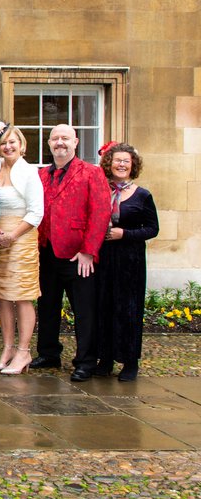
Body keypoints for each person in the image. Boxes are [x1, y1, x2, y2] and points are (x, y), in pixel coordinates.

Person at [30, 124, 110, 382]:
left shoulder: (91, 173)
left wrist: (89, 251)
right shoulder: (41, 175)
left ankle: (86, 360)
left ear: (75, 142)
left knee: (84, 310)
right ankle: (49, 352)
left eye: (65, 138)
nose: (60, 143)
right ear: (49, 143)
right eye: (55, 139)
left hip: (78, 255)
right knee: (47, 305)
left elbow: (100, 213)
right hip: (46, 250)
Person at [94, 142, 159, 382]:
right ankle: (105, 358)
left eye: (126, 161)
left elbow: (153, 229)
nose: (121, 164)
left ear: (133, 166)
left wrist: (125, 234)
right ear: (108, 164)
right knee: (104, 306)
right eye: (117, 160)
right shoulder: (101, 190)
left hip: (130, 261)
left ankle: (130, 362)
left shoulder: (142, 195)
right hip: (104, 259)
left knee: (128, 310)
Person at [0, 122, 44, 375]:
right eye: (3, 143)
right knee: (1, 295)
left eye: (13, 142)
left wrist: (12, 235)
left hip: (22, 238)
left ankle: (24, 351)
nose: (8, 146)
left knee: (21, 295)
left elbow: (36, 212)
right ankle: (7, 348)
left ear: (21, 145)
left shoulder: (29, 172)